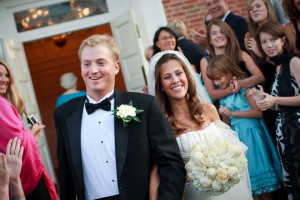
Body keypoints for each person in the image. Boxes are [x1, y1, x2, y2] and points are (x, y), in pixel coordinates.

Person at [54, 34, 186, 200]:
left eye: (101, 62)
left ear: (116, 67)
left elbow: (171, 164)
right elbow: (65, 175)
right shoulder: (64, 114)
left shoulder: (145, 106)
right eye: (86, 64)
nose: (93, 70)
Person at [148, 50, 253, 200]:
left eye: (179, 73)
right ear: (161, 85)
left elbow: (232, 150)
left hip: (228, 192)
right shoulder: (162, 125)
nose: (175, 80)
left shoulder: (208, 110)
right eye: (167, 77)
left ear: (187, 76)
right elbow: (157, 170)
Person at [206, 54, 282, 199]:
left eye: (219, 78)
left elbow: (258, 112)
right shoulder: (224, 96)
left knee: (264, 187)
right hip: (238, 140)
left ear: (229, 72)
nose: (216, 83)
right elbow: (227, 125)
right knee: (249, 187)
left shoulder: (245, 90)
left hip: (253, 138)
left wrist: (233, 112)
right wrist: (224, 115)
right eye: (214, 80)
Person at [251, 21, 300, 200]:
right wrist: (264, 99)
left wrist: (275, 99)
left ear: (283, 40)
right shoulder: (277, 66)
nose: (268, 45)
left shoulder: (293, 61)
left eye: (272, 40)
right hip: (284, 135)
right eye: (264, 42)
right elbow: (280, 103)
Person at [0, 60, 58, 200]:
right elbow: (17, 142)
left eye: (6, 75)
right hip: (20, 176)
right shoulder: (1, 104)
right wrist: (33, 133)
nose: (4, 80)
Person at [200, 20, 264, 102]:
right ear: (210, 40)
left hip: (249, 103)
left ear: (228, 35)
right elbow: (212, 94)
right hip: (226, 109)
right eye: (214, 33)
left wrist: (239, 84)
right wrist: (231, 89)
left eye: (222, 32)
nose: (219, 35)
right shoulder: (205, 61)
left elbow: (260, 77)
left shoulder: (241, 54)